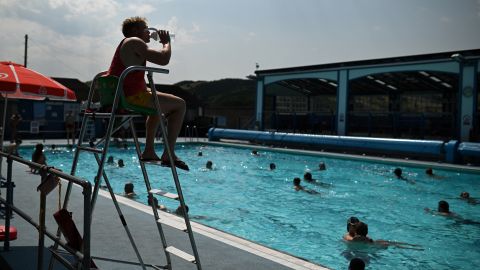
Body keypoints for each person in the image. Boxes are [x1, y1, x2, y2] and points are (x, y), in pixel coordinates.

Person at [106, 16, 188, 171]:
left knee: (157, 100)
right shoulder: (134, 42)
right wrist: (166, 42)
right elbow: (163, 59)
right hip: (132, 96)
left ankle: (149, 150)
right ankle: (168, 153)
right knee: (180, 105)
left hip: (125, 94)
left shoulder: (126, 45)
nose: (150, 33)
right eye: (147, 29)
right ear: (135, 30)